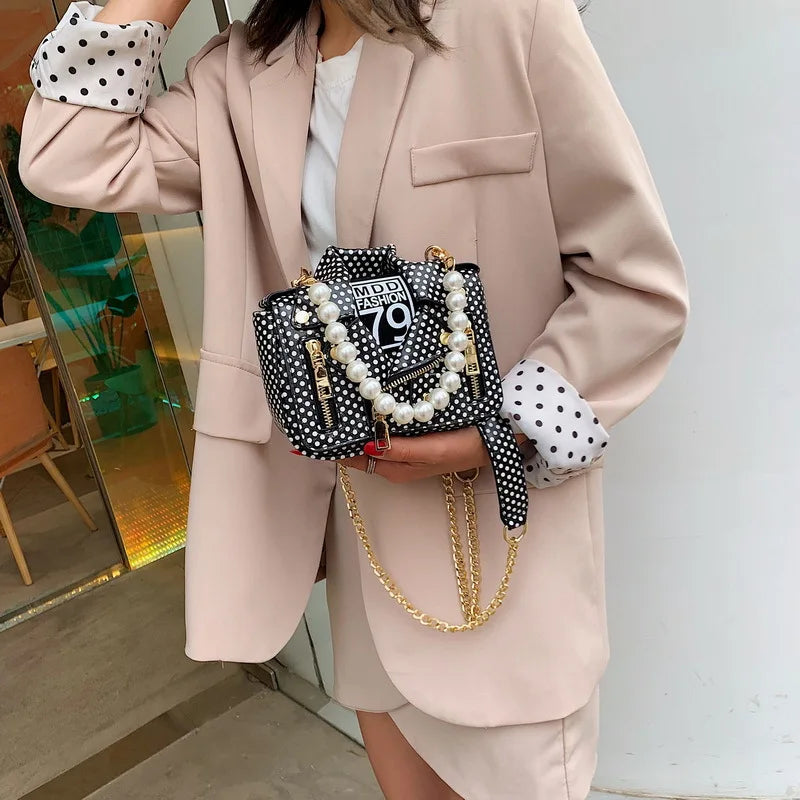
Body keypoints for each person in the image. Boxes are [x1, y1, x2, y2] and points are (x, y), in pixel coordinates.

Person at [19, 0, 689, 796]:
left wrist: (499, 431)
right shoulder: (243, 76)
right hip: (364, 546)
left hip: (500, 550)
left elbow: (635, 285)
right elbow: (66, 153)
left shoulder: (511, 18)